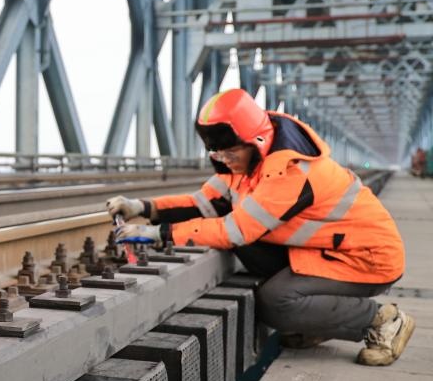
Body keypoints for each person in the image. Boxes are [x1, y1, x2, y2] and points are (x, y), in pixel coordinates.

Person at [106, 88, 413, 366]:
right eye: (216, 153)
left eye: (229, 152)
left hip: (367, 258)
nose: (224, 160)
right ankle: (318, 322)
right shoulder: (245, 158)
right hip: (326, 250)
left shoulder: (290, 172)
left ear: (258, 140)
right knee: (251, 252)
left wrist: (159, 234)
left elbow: (233, 231)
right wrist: (144, 207)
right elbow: (205, 203)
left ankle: (383, 320)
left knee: (275, 302)